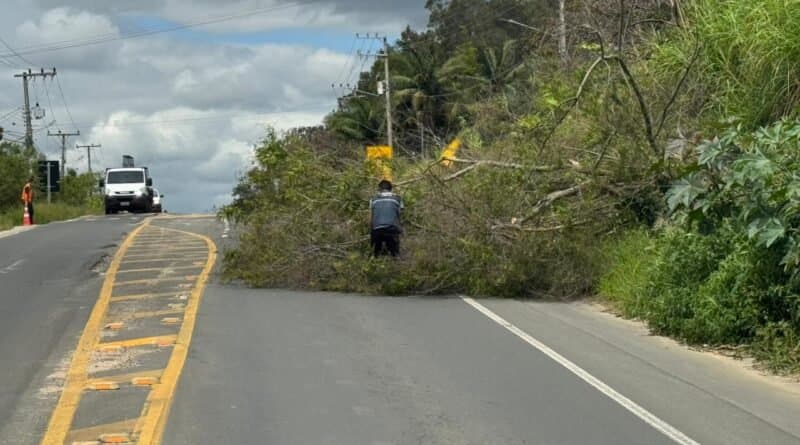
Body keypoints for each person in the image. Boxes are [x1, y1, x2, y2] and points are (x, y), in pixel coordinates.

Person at [369, 179, 403, 257]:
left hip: (377, 229)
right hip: (392, 229)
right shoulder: (397, 198)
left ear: (379, 189)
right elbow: (399, 215)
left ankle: (375, 258)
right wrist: (399, 229)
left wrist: (372, 231)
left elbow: (371, 217)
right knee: (394, 254)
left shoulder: (373, 199)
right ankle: (395, 258)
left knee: (375, 254)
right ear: (391, 189)